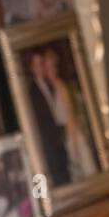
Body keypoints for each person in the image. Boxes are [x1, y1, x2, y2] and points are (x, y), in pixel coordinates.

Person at [42, 46, 97, 181]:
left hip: (72, 136)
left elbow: (70, 116)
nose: (49, 71)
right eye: (47, 68)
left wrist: (73, 144)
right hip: (65, 137)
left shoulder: (61, 87)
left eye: (51, 68)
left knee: (84, 169)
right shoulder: (52, 89)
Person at [23, 50, 70, 186]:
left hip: (58, 138)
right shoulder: (32, 91)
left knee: (65, 172)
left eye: (41, 63)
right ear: (32, 68)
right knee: (58, 176)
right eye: (36, 65)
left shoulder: (49, 84)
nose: (40, 67)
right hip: (49, 142)